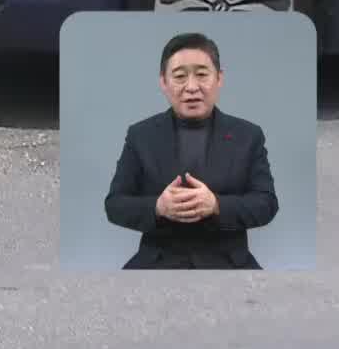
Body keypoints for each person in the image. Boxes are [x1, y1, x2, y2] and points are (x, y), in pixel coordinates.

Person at [104, 32, 278, 270]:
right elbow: (114, 205)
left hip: (229, 262)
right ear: (163, 83)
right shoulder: (140, 135)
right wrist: (158, 207)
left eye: (202, 74)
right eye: (179, 76)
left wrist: (216, 204)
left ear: (219, 78)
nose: (192, 87)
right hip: (158, 261)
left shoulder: (248, 136)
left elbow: (266, 203)